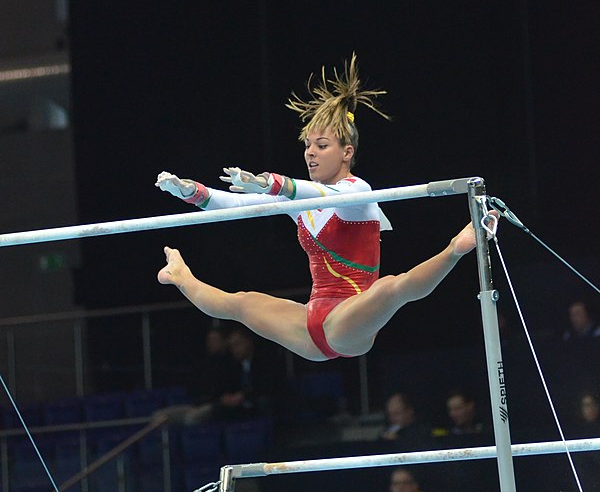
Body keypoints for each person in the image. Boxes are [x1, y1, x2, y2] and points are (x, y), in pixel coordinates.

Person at [156, 55, 494, 363]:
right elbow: (232, 205)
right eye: (307, 146)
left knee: (393, 286)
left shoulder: (358, 193)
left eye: (322, 145)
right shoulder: (302, 200)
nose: (310, 154)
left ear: (347, 152)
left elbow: (317, 195)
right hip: (309, 326)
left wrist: (273, 183)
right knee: (240, 303)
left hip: (349, 324)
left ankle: (454, 249)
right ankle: (181, 278)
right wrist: (191, 191)